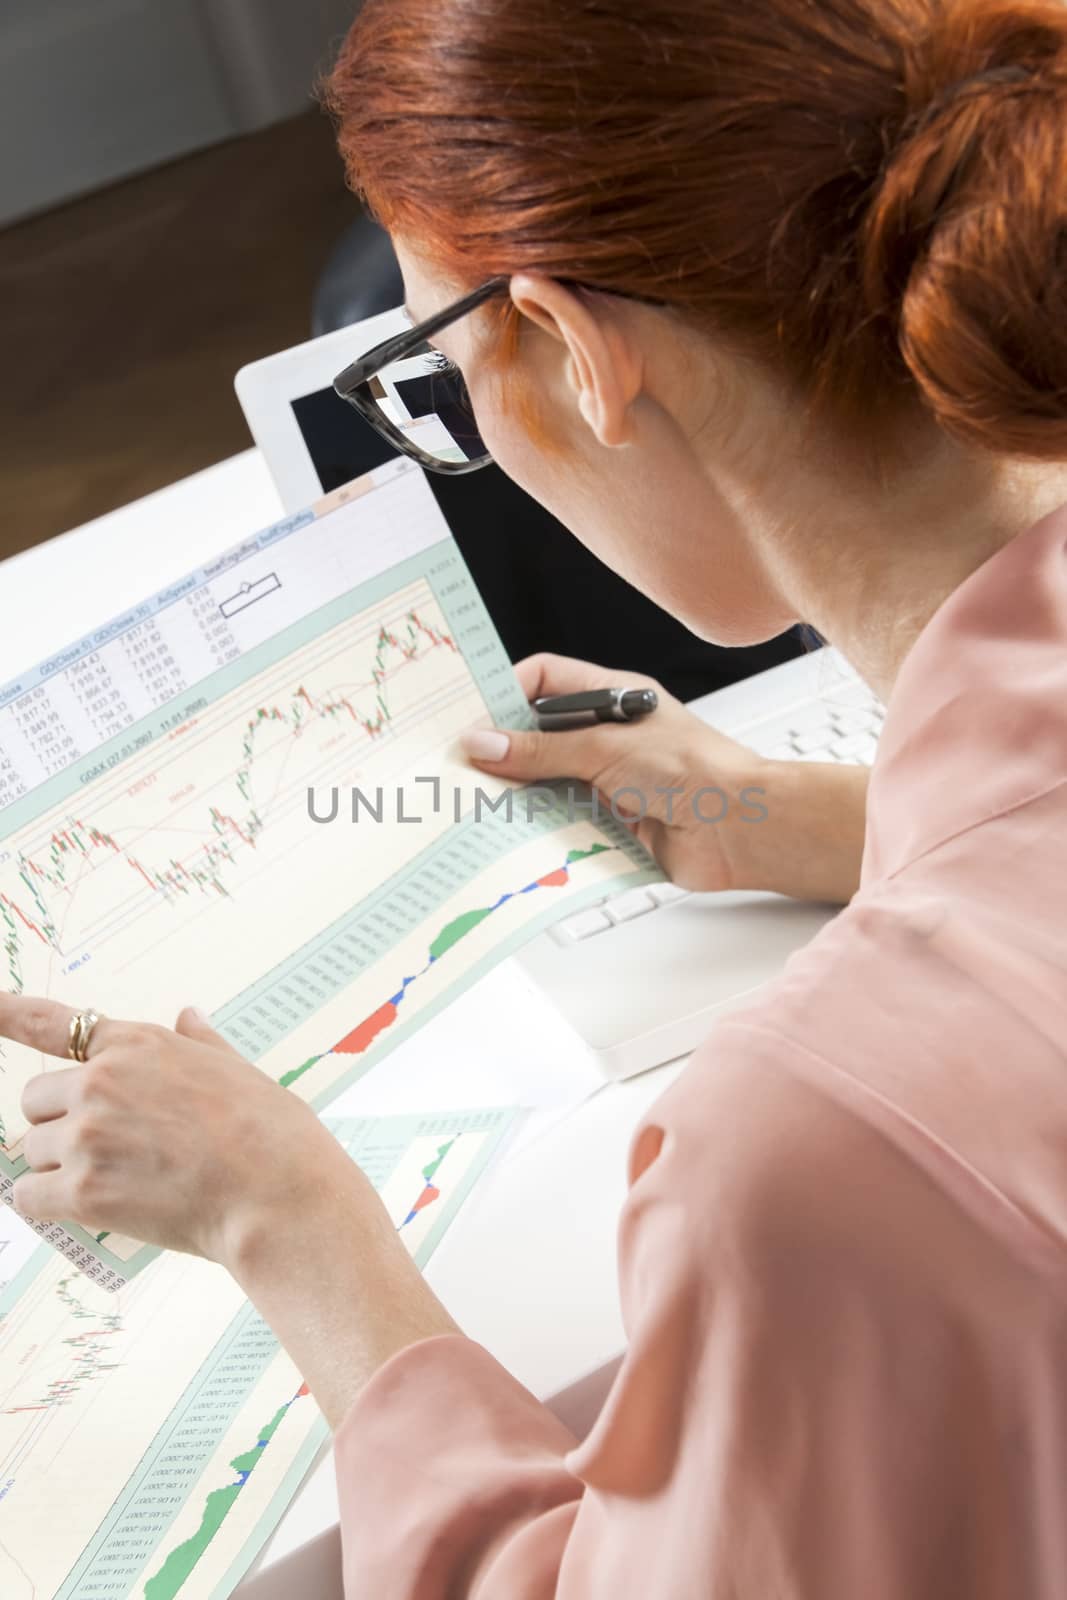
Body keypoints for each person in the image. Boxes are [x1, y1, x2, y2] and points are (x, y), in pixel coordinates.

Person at [5, 0, 1067, 1591]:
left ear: (578, 351)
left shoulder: (810, 1148)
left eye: (436, 375)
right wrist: (823, 821)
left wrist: (288, 1226)